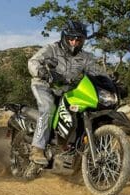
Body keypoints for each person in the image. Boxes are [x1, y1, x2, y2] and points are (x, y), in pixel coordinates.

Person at [28, 20, 109, 165]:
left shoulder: (85, 57)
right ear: (64, 37)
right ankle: (37, 149)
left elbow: (98, 72)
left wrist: (112, 83)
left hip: (65, 89)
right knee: (48, 108)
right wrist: (41, 72)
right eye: (71, 38)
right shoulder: (51, 49)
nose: (74, 42)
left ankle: (68, 148)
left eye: (78, 39)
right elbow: (33, 62)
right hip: (44, 85)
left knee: (79, 111)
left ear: (83, 41)